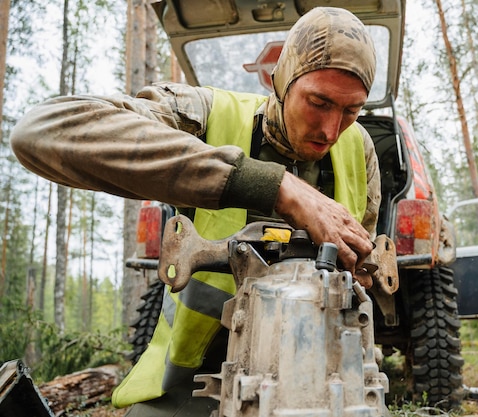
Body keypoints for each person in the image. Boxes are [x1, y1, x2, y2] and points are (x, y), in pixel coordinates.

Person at [10, 6, 381, 416]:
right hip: (191, 384)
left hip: (316, 378)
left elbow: (359, 262)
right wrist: (274, 186)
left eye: (350, 110)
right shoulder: (207, 115)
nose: (331, 130)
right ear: (281, 79)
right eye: (319, 102)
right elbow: (41, 129)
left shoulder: (359, 148)